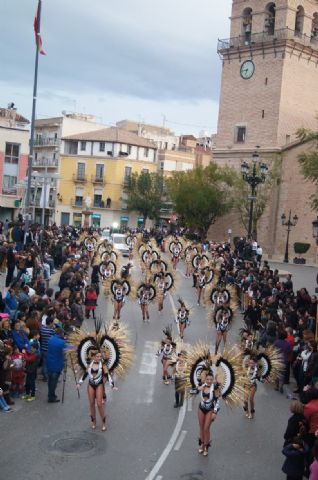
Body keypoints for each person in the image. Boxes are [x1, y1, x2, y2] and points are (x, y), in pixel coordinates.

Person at [76, 350, 116, 431]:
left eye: (100, 356)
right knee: (91, 403)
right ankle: (93, 421)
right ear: (93, 356)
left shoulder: (103, 365)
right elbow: (85, 374)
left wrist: (112, 385)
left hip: (99, 385)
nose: (99, 358)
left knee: (99, 404)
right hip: (90, 384)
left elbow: (108, 375)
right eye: (97, 356)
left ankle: (104, 422)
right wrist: (79, 383)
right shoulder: (89, 364)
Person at [197, 371, 220, 457]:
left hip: (210, 409)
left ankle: (206, 446)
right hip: (201, 408)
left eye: (211, 379)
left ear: (213, 379)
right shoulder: (202, 386)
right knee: (201, 427)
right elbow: (192, 389)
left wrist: (215, 412)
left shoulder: (215, 388)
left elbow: (217, 401)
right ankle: (202, 444)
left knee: (206, 428)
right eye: (208, 379)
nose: (209, 381)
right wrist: (196, 389)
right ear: (205, 379)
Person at [46, 327, 67, 403]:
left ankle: (50, 395)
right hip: (57, 364)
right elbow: (67, 349)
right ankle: (51, 397)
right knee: (54, 382)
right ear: (61, 333)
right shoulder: (62, 342)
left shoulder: (50, 339)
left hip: (49, 363)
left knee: (50, 381)